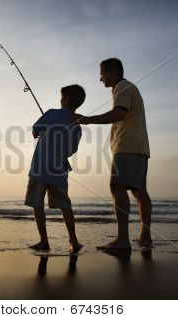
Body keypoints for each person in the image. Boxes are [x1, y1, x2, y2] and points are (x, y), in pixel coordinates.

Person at [73, 58, 152, 251]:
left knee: (117, 186)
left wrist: (88, 119)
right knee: (139, 192)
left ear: (112, 72)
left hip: (127, 146)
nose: (100, 78)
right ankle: (145, 236)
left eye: (102, 73)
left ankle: (122, 239)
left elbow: (119, 114)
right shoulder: (129, 87)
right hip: (140, 147)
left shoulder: (122, 86)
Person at [25, 84, 85, 253]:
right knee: (65, 205)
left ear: (65, 99)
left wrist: (44, 131)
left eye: (61, 97)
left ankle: (44, 241)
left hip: (39, 168)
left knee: (37, 204)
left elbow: (34, 132)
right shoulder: (77, 125)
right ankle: (73, 241)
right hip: (58, 170)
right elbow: (71, 151)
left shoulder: (51, 113)